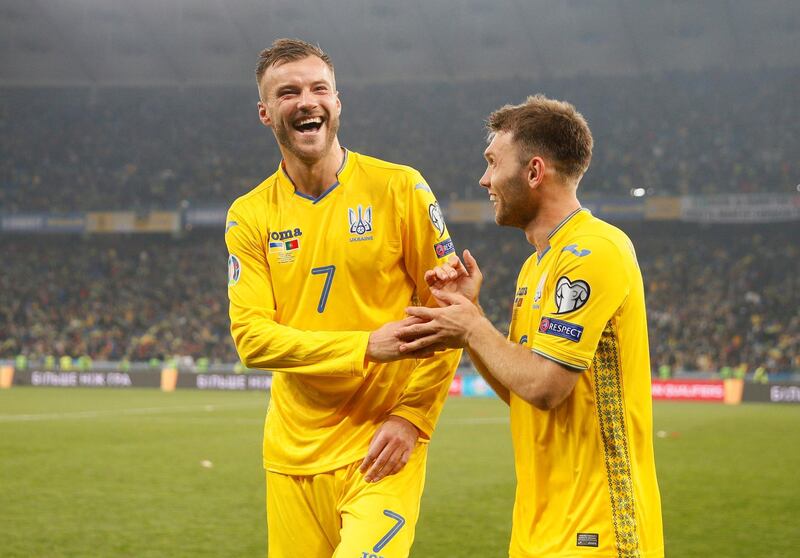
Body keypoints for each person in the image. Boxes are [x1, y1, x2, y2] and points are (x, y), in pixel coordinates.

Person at [397, 95, 664, 557]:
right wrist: (472, 315)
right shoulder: (534, 268)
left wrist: (472, 329)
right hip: (538, 527)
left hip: (597, 529)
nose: (484, 179)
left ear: (534, 172)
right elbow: (521, 391)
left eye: (493, 163)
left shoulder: (594, 250)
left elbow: (546, 387)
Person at [224, 39, 461, 558]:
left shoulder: (401, 188)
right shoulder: (249, 214)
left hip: (382, 447)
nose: (307, 101)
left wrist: (412, 417)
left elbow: (450, 312)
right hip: (291, 454)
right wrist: (363, 347)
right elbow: (252, 340)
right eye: (289, 92)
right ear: (266, 113)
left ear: (338, 101)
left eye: (319, 88)